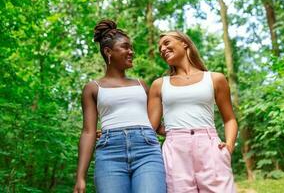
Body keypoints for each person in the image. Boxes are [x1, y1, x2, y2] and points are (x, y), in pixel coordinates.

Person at [73, 20, 166, 193]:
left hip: (146, 149)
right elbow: (88, 132)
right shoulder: (92, 88)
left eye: (131, 47)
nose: (131, 51)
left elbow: (156, 123)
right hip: (109, 153)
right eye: (125, 47)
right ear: (108, 51)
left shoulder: (142, 85)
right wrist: (80, 177)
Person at [148, 31, 238, 193]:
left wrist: (229, 147)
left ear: (184, 43)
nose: (162, 49)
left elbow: (229, 119)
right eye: (160, 47)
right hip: (175, 151)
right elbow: (150, 126)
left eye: (166, 43)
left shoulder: (215, 78)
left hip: (210, 147)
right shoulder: (159, 84)